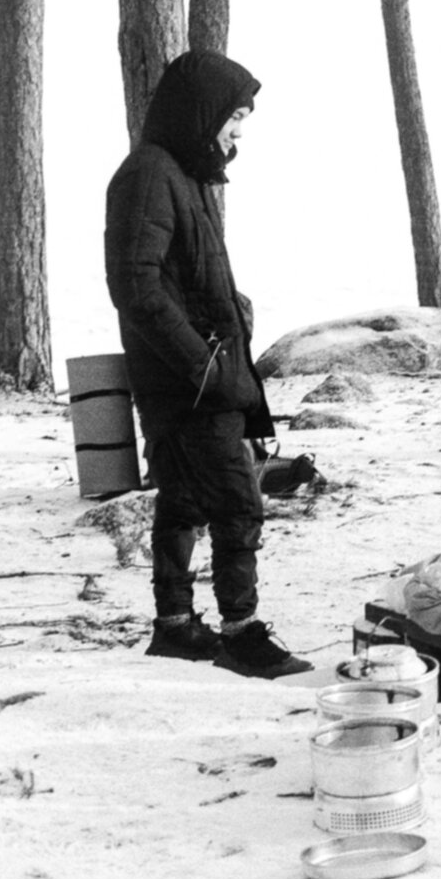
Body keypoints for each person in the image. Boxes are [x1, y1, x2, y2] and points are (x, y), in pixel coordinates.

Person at [104, 49, 312, 680]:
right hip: (190, 385)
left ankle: (174, 625)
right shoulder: (149, 174)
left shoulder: (180, 173)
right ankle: (241, 634)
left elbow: (179, 276)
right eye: (234, 117)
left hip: (189, 379)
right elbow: (136, 285)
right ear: (202, 112)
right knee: (238, 504)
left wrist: (233, 308)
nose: (238, 133)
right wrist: (204, 365)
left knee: (183, 499)